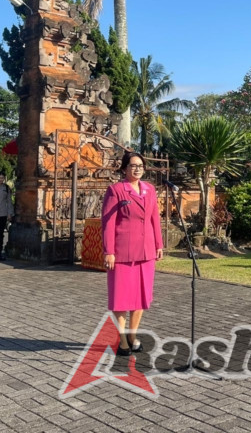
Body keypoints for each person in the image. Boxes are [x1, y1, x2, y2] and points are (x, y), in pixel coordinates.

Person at [101, 152, 164, 356]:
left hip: (146, 252)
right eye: (132, 165)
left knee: (141, 298)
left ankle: (132, 335)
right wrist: (109, 251)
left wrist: (158, 244)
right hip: (122, 253)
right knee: (121, 297)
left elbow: (155, 218)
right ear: (124, 169)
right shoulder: (116, 190)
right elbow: (108, 224)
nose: (137, 169)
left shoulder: (150, 190)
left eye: (140, 165)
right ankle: (122, 340)